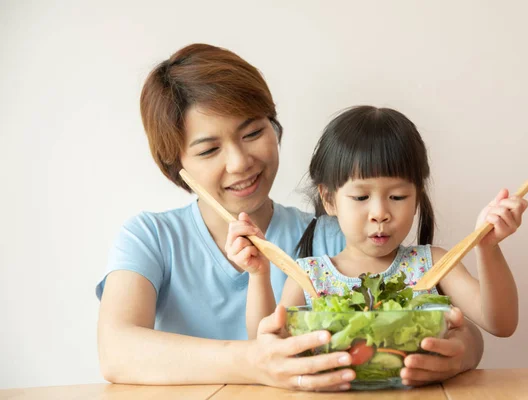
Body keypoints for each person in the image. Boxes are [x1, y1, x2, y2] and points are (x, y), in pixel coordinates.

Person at [96, 43, 484, 391]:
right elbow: (115, 350)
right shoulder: (150, 237)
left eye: (251, 133)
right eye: (209, 149)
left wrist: (460, 352)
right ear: (176, 167)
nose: (240, 161)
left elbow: (446, 321)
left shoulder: (332, 240)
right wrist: (255, 362)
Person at [227, 105, 527, 382]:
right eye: (360, 198)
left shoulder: (434, 264)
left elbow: (500, 323)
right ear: (329, 199)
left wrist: (488, 248)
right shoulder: (308, 277)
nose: (380, 214)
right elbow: (263, 342)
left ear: (417, 197)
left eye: (397, 197)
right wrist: (259, 275)